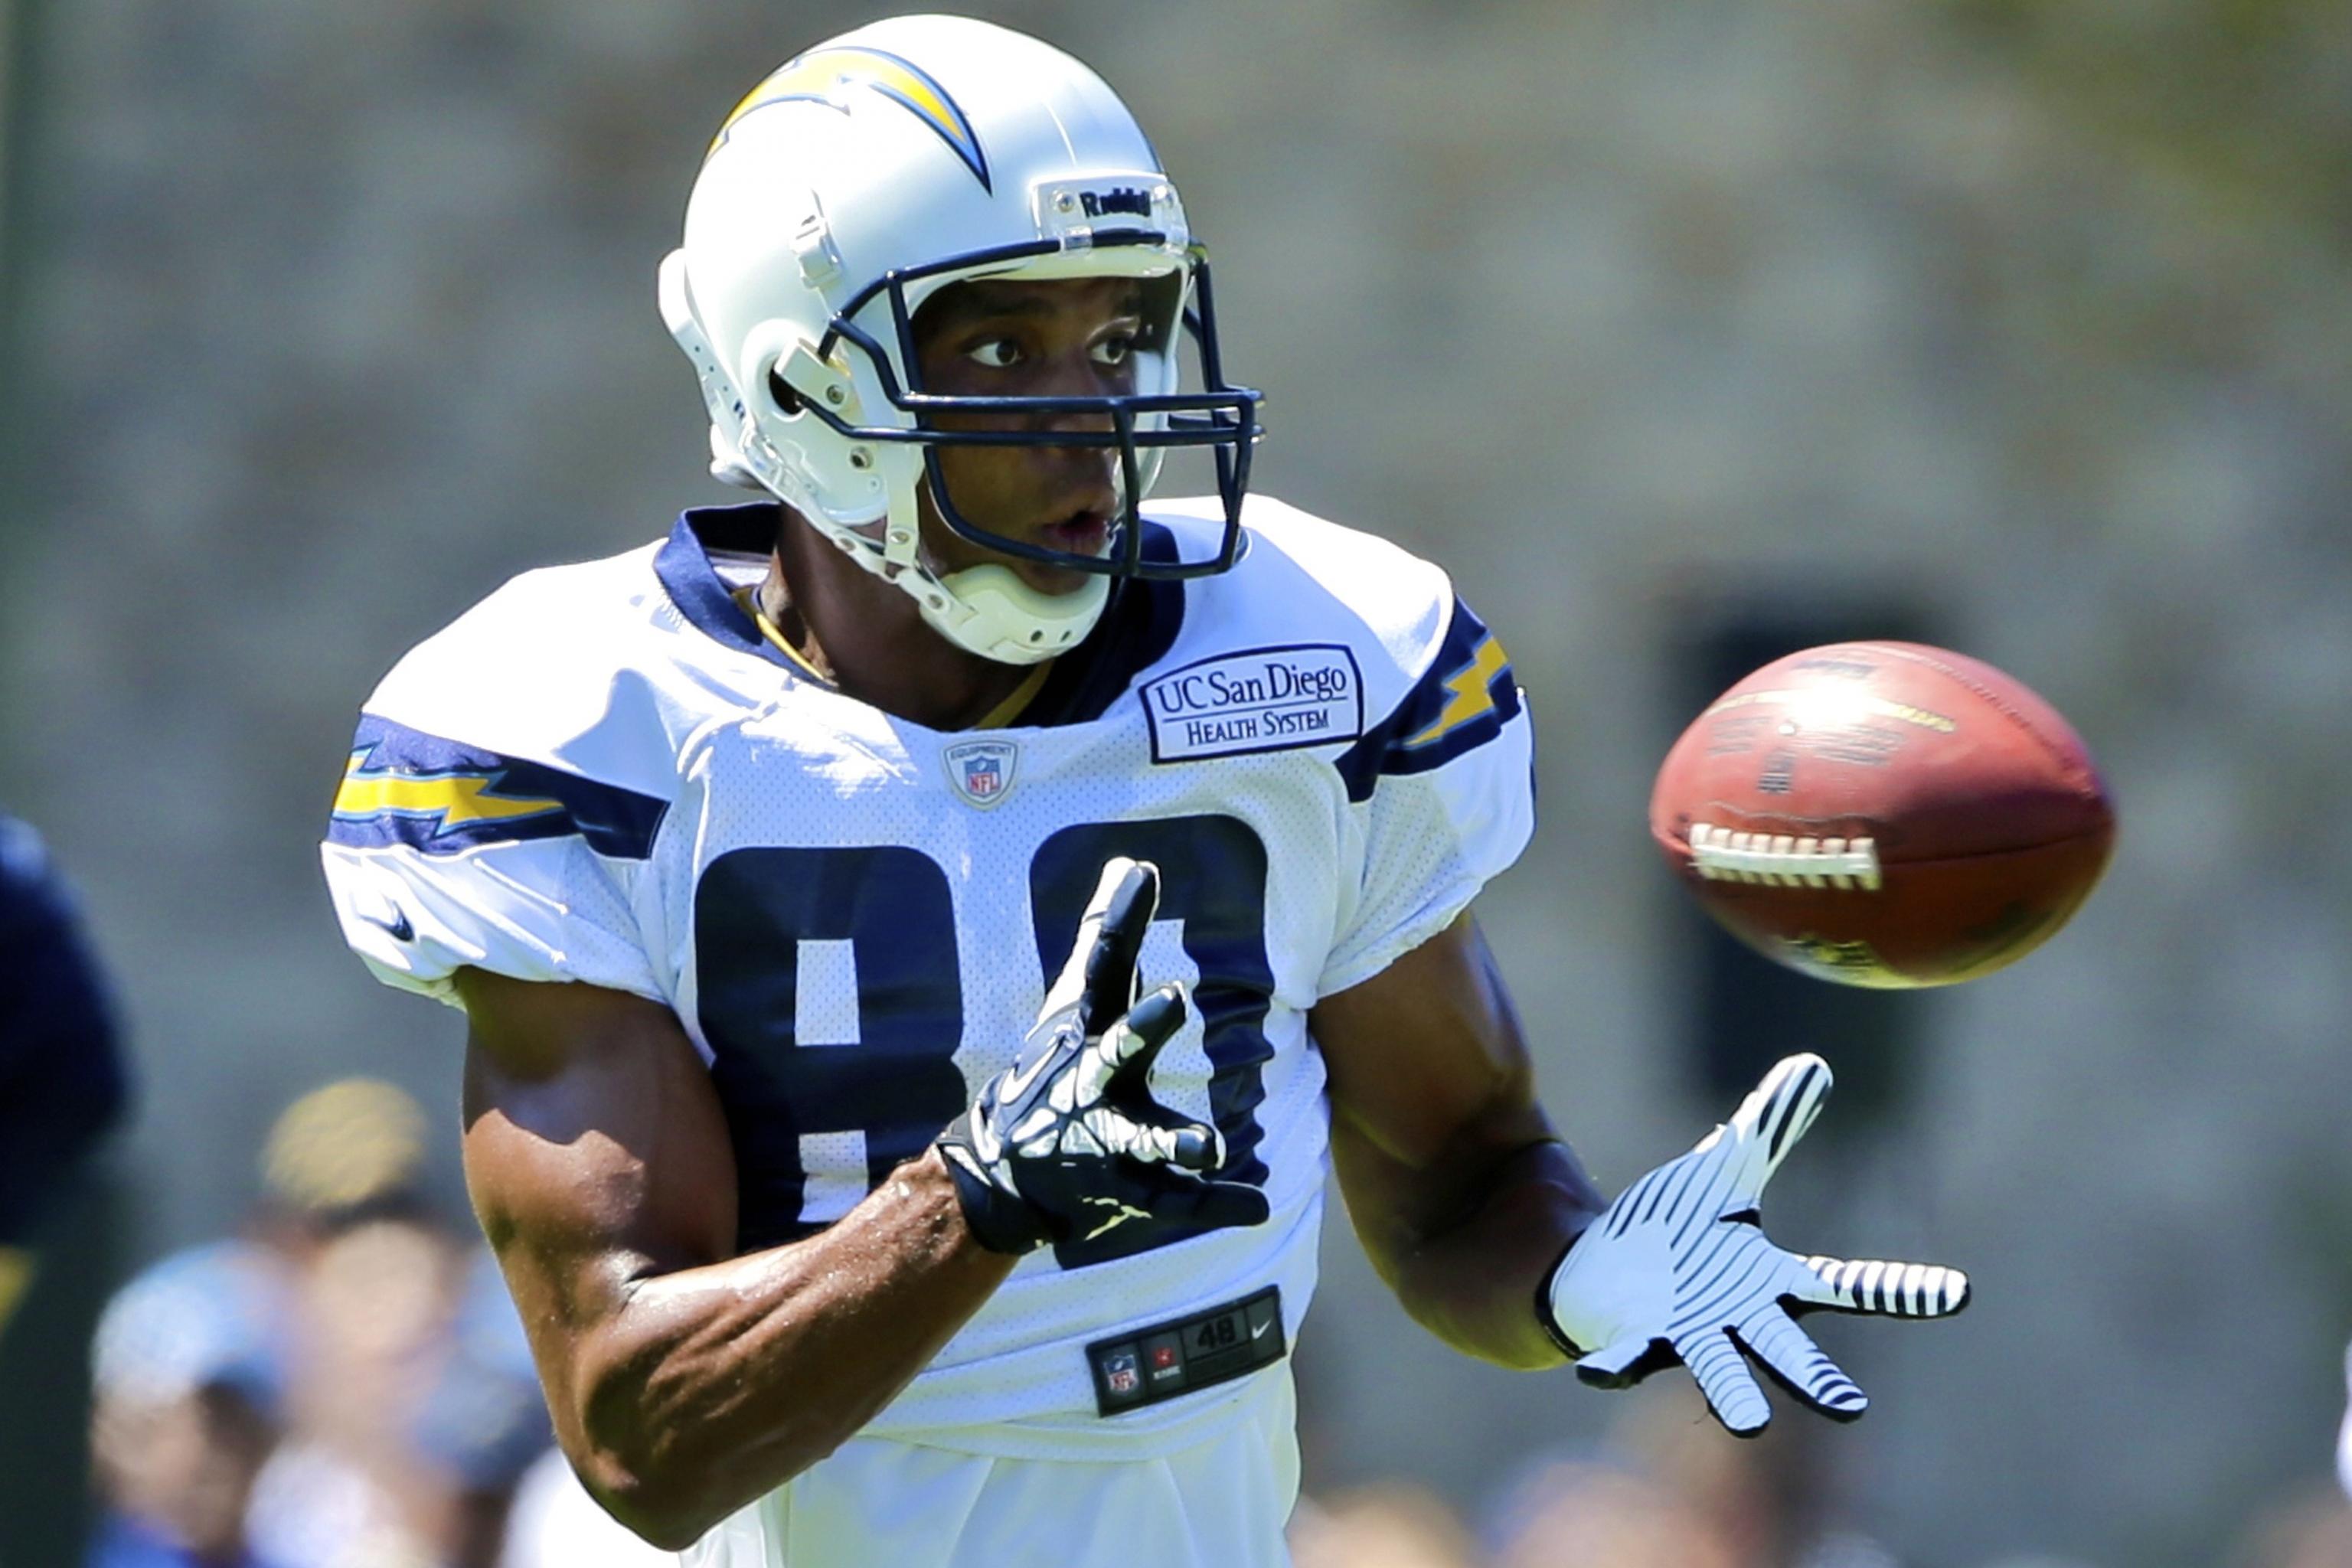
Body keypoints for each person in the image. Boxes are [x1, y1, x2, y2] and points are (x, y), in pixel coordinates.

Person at [318, 16, 1968, 1564]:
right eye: (998, 345)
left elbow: (1463, 1172)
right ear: (801, 380)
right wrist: (975, 1198)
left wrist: (1589, 1276)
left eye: (1117, 336)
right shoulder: (580, 728)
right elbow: (642, 1437)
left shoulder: (1328, 660)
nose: (1088, 416)